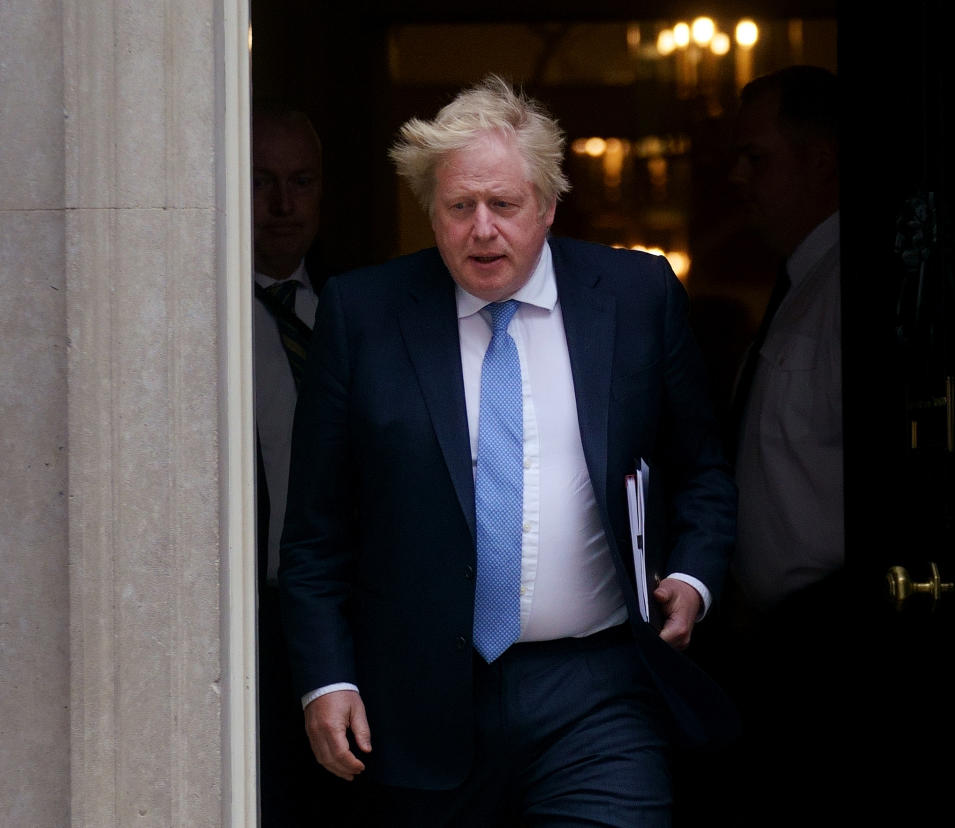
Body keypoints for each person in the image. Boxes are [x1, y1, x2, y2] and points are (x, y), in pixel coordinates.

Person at [278, 76, 736, 825]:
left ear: (549, 206)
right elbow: (316, 533)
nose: (482, 229)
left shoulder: (636, 294)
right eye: (459, 207)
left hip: (598, 690)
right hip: (419, 698)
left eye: (504, 205)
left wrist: (692, 573)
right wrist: (326, 679)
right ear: (432, 211)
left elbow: (703, 469)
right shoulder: (364, 315)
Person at [716, 65, 844, 821]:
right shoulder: (802, 286)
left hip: (827, 642)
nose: (737, 177)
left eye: (756, 157)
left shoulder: (842, 293)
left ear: (820, 161)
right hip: (771, 644)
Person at [251, 107, 351, 825]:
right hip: (242, 620)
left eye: (300, 181)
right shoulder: (197, 318)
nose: (283, 205)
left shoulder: (356, 318)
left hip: (349, 622)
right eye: (261, 182)